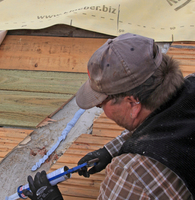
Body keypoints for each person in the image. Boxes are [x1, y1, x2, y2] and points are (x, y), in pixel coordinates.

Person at [23, 33, 195, 200]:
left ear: (132, 103)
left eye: (101, 103)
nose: (99, 107)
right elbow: (165, 123)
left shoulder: (131, 174)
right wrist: (110, 150)